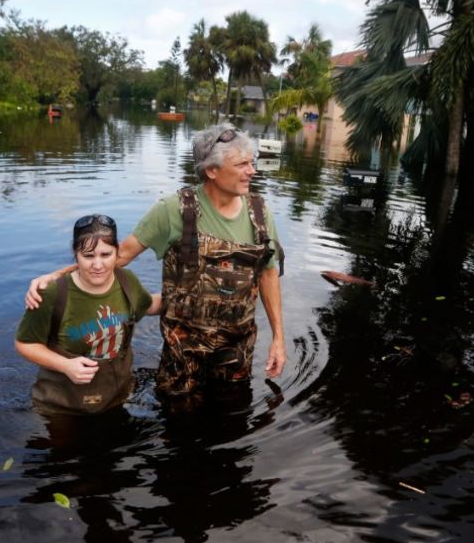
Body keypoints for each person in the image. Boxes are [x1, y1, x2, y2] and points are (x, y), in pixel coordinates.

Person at [26, 124, 286, 409]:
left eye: (252, 162)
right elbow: (119, 255)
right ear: (211, 170)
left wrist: (278, 338)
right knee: (176, 420)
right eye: (242, 164)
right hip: (182, 351)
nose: (252, 171)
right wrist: (55, 276)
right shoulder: (174, 210)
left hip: (238, 348)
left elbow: (269, 274)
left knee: (232, 415)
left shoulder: (260, 213)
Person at [15, 214, 161, 415]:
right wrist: (65, 365)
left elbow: (149, 305)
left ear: (117, 252)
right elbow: (25, 343)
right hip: (64, 407)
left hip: (117, 397)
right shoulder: (52, 294)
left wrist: (186, 296)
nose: (98, 265)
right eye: (89, 256)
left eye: (106, 255)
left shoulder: (127, 280)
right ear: (76, 254)